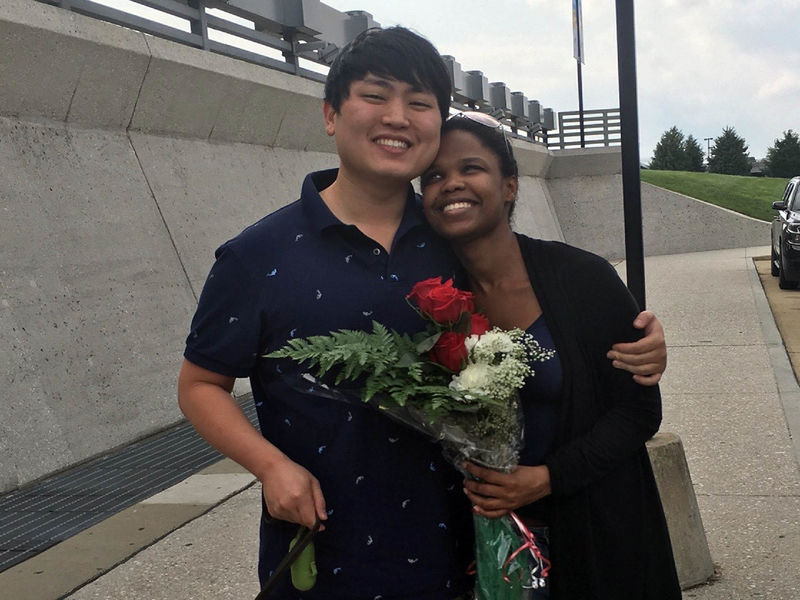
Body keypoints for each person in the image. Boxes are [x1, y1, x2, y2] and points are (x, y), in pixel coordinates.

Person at [178, 27, 668, 600]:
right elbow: (200, 384)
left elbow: (544, 311)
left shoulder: (452, 237)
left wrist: (638, 338)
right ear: (331, 114)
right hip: (332, 550)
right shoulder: (257, 256)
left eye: (419, 103)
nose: (397, 117)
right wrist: (269, 467)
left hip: (469, 550)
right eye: (376, 96)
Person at [419, 112, 681, 599]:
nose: (450, 183)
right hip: (482, 543)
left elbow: (639, 411)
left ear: (510, 186)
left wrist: (546, 479)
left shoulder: (583, 278)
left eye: (470, 168)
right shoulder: (427, 299)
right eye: (433, 175)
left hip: (594, 531)